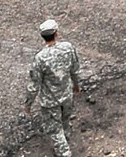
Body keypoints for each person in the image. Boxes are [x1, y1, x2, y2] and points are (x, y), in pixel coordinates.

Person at [25, 18, 84, 157]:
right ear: (56, 33)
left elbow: (34, 85)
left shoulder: (40, 58)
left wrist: (28, 104)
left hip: (50, 102)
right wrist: (77, 86)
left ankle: (64, 152)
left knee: (54, 130)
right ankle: (66, 139)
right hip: (67, 95)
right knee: (65, 121)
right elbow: (75, 70)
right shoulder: (68, 48)